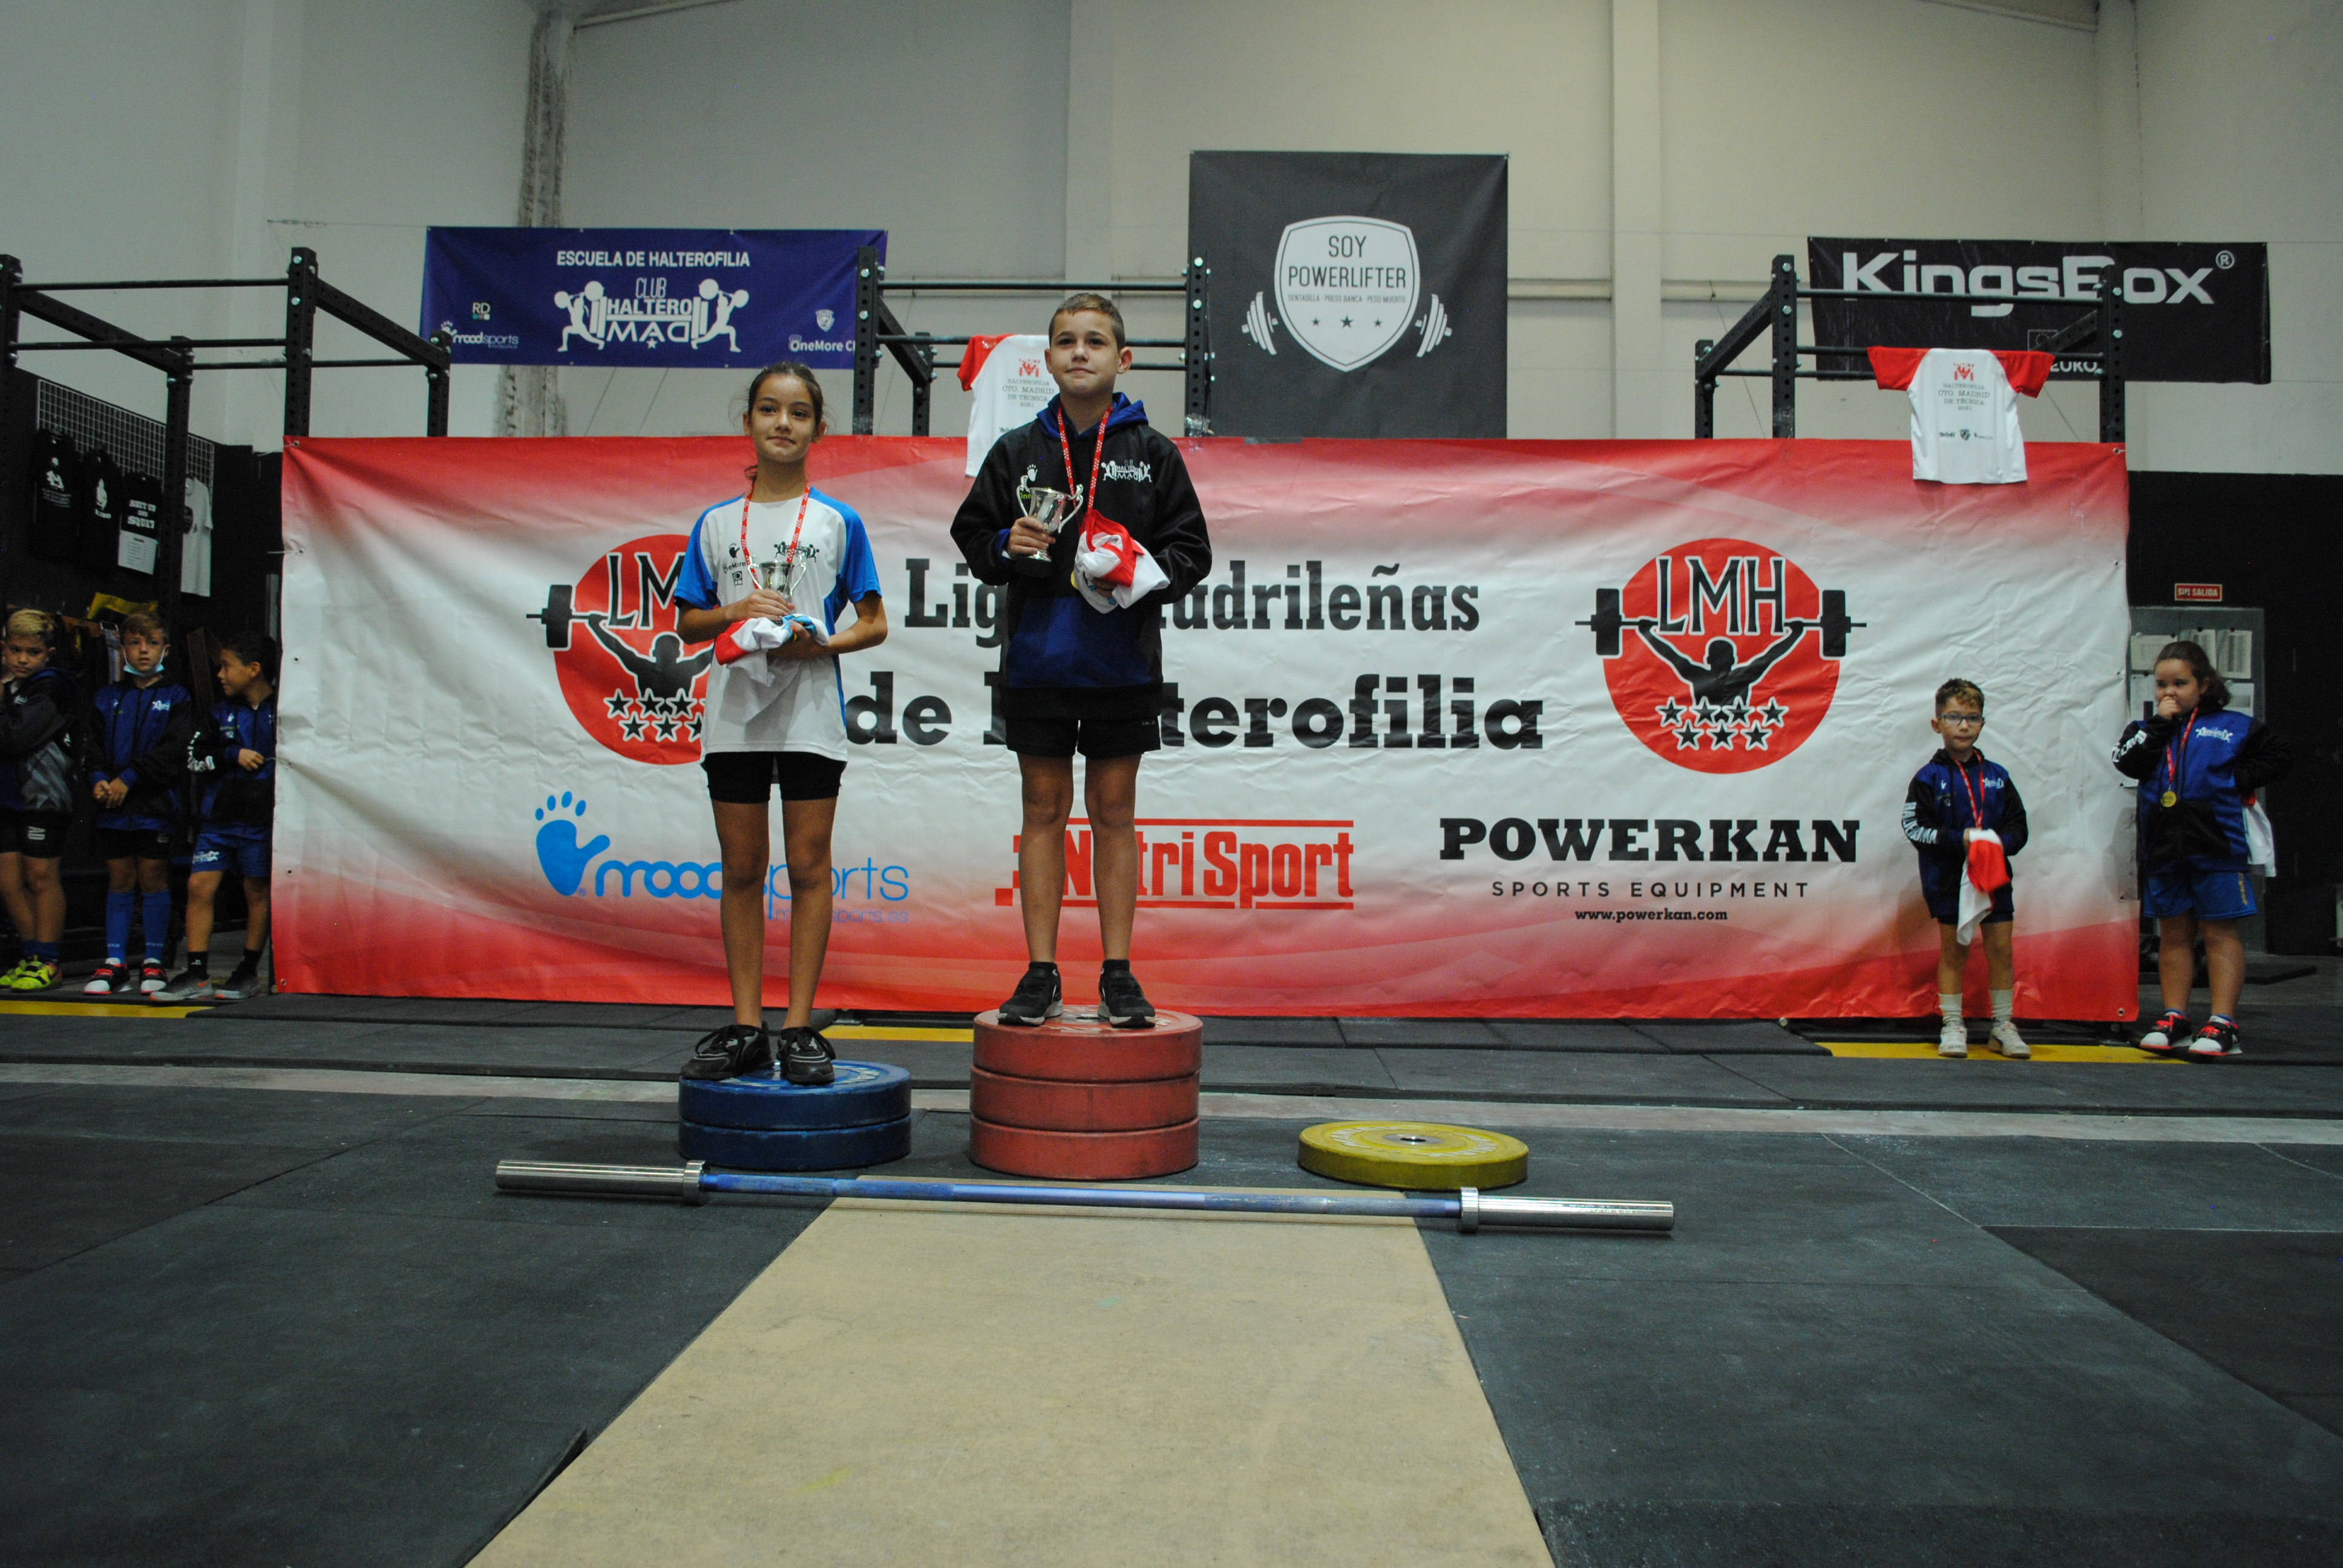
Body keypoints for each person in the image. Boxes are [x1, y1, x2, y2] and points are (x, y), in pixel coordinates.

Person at [949, 292, 1213, 1028]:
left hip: (1120, 664)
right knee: (1041, 812)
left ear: (1121, 359)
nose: (1079, 352)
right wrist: (1005, 545)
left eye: (1095, 341)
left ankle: (1118, 973)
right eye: (1066, 341)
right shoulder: (1016, 449)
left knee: (1114, 813)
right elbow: (973, 534)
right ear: (1047, 360)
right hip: (1037, 661)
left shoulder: (1152, 453)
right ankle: (1040, 972)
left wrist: (1139, 571)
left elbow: (1192, 551)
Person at [671, 360, 886, 1083]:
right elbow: (688, 622)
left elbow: (873, 623)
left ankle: (797, 1027)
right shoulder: (713, 524)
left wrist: (821, 642)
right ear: (748, 422)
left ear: (819, 429)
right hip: (734, 714)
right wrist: (736, 611)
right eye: (769, 409)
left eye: (798, 413)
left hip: (809, 713)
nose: (782, 424)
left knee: (808, 868)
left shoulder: (837, 522)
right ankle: (745, 1026)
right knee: (741, 869)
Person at [2114, 639, 2291, 1059]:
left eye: (2180, 683)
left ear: (2204, 684)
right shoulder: (2145, 730)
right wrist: (2160, 725)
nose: (2169, 692)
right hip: (2163, 846)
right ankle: (2175, 1017)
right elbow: (2126, 762)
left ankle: (2223, 1022)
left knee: (2218, 932)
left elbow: (2281, 756)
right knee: (2173, 934)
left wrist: (2233, 781)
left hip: (2216, 844)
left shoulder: (2234, 726)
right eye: (2161, 684)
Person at [1902, 679, 2031, 1059]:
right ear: (1937, 723)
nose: (1963, 725)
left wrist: (1993, 843)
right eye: (1954, 717)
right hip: (1947, 879)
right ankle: (1952, 1023)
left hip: (1992, 876)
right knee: (1954, 952)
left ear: (1982, 724)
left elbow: (2019, 828)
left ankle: (2003, 1025)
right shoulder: (1927, 778)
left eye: (1972, 718)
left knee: (2001, 950)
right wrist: (1960, 839)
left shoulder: (1998, 775)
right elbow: (1914, 829)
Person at [156, 632, 277, 1002]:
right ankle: (196, 974)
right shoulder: (218, 713)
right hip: (218, 822)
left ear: (253, 669)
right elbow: (194, 759)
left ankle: (247, 972)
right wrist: (231, 755)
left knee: (257, 892)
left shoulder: (285, 711)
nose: (220, 674)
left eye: (226, 666)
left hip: (262, 823)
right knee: (198, 887)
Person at [81, 612, 194, 995]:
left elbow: (173, 752)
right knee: (119, 879)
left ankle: (154, 963)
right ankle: (115, 963)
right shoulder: (107, 696)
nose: (143, 650)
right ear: (123, 649)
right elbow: (91, 747)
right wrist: (99, 780)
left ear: (166, 649)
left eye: (152, 643)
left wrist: (128, 779)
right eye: (134, 643)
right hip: (113, 807)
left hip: (155, 805)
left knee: (152, 878)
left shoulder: (177, 697)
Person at [1, 610, 78, 991]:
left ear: (48, 654)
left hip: (43, 797)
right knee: (8, 881)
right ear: (3, 648)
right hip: (7, 798)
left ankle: (49, 961)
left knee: (41, 878)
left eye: (32, 652)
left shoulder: (52, 687)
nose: (22, 659)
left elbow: (16, 737)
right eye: (15, 650)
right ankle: (31, 957)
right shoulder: (11, 687)